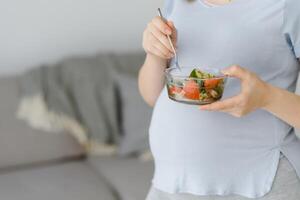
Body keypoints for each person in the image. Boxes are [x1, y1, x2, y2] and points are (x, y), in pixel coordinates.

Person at [138, 0, 300, 199]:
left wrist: (267, 97)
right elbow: (153, 96)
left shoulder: (290, 6)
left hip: (257, 186)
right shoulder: (178, 3)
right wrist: (154, 54)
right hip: (170, 185)